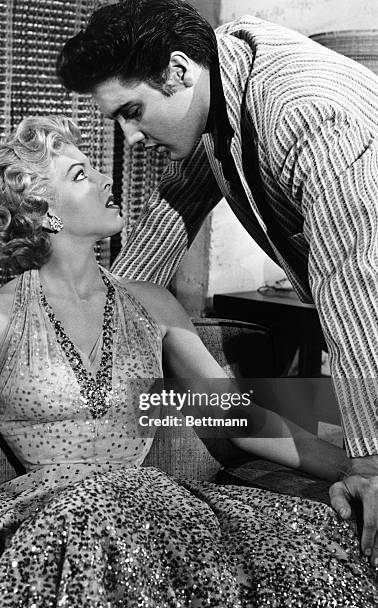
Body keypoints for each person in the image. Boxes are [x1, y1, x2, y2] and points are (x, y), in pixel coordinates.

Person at [0, 115, 376, 608]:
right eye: (81, 175)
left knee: (308, 555)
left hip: (149, 507)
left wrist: (353, 466)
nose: (106, 179)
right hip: (52, 519)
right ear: (44, 212)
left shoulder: (153, 304)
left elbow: (236, 416)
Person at [57, 0, 378, 554]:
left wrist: (366, 461)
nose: (126, 145)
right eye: (82, 172)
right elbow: (176, 203)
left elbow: (353, 278)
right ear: (43, 213)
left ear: (178, 71)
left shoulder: (306, 112)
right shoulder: (218, 86)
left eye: (132, 111)